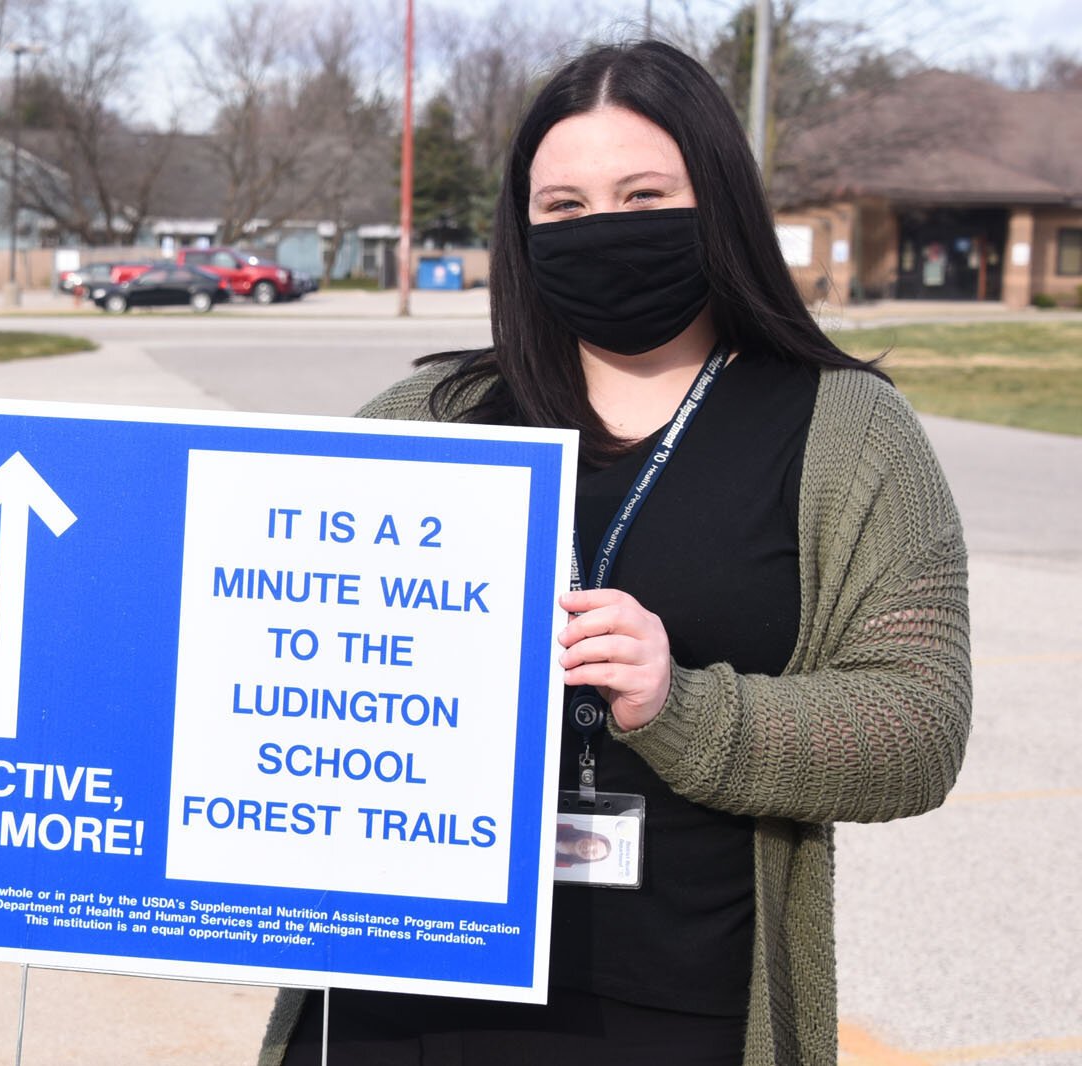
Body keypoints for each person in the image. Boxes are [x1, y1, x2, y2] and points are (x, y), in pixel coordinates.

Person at [256, 39, 971, 1066]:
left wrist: (680, 701)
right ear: (524, 227)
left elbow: (917, 726)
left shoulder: (845, 432)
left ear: (718, 199)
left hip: (672, 1011)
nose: (605, 233)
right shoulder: (428, 418)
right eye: (565, 208)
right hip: (399, 999)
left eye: (643, 194)